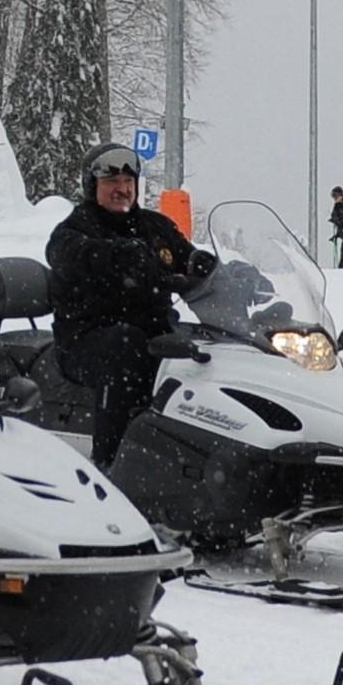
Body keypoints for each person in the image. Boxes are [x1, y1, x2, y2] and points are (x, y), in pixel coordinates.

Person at [45, 142, 215, 469]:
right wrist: (120, 258)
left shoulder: (155, 227)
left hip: (153, 333)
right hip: (86, 339)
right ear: (92, 185)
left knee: (206, 350)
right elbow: (70, 256)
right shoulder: (72, 232)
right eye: (112, 182)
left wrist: (210, 268)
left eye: (128, 182)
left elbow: (184, 256)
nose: (122, 189)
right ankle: (110, 463)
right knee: (126, 345)